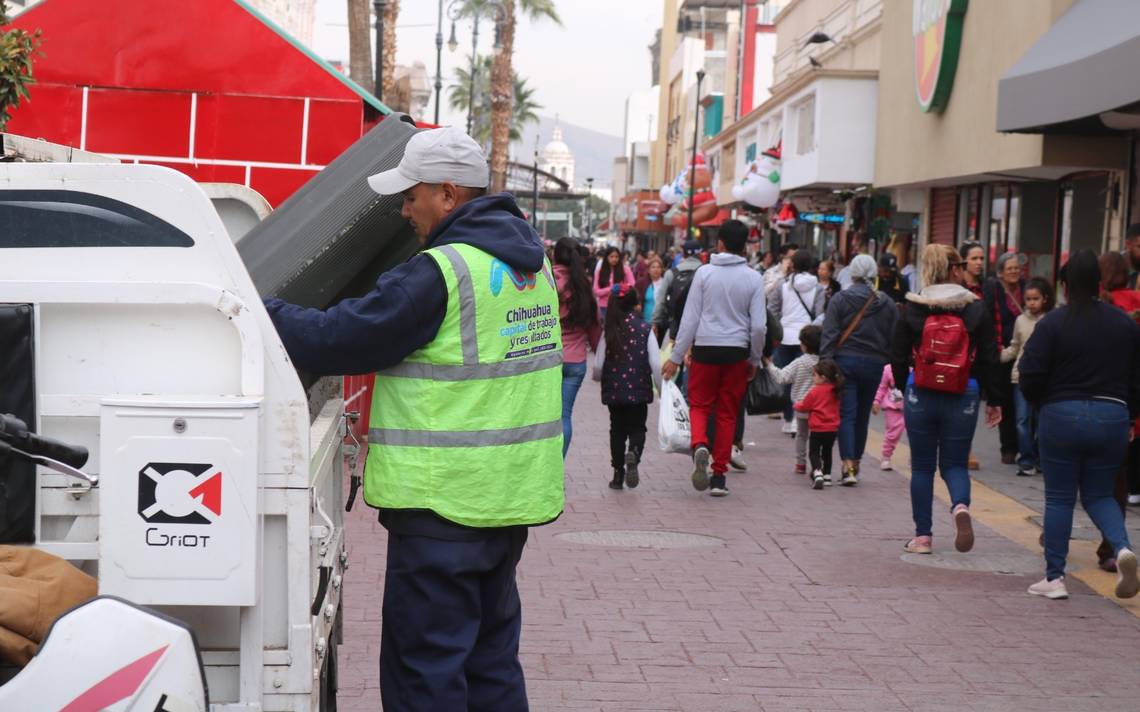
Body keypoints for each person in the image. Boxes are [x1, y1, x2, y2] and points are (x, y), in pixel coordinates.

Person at [263, 126, 562, 709]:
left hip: (442, 507)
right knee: (490, 663)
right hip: (507, 503)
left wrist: (259, 304)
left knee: (425, 671)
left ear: (448, 195)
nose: (403, 210)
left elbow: (341, 338)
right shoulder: (530, 265)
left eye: (411, 195)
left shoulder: (441, 272)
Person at [1018, 249, 1140, 601]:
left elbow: (1030, 374)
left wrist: (1041, 402)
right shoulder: (1124, 324)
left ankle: (1054, 578)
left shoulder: (1053, 323)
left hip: (1062, 414)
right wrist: (1129, 414)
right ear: (1100, 283)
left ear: (1065, 285)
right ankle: (1121, 548)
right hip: (1112, 415)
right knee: (1100, 493)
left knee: (1059, 498)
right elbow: (1137, 378)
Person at [891, 244, 1003, 556]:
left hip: (921, 393)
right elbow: (990, 357)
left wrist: (905, 388)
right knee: (955, 464)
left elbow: (897, 356)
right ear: (956, 269)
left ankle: (923, 537)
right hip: (963, 391)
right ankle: (960, 508)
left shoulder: (912, 307)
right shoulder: (975, 308)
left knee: (923, 467)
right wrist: (993, 398)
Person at [663, 220, 766, 497]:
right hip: (737, 352)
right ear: (744, 245)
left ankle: (699, 445)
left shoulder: (705, 274)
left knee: (699, 405)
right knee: (727, 412)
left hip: (706, 348)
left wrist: (675, 356)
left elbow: (690, 319)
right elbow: (758, 326)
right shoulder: (754, 277)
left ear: (720, 243)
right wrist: (754, 359)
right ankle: (719, 476)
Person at [820, 254, 899, 485]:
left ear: (852, 274)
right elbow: (894, 337)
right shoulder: (887, 303)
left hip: (845, 363)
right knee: (862, 417)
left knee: (847, 415)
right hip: (874, 364)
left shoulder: (839, 299)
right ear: (874, 274)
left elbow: (830, 334)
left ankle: (846, 466)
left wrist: (825, 363)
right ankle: (856, 463)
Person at [594, 284, 662, 490]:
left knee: (617, 430)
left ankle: (617, 474)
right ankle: (634, 452)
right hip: (639, 389)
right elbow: (656, 363)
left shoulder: (609, 330)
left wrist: (598, 378)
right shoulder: (644, 329)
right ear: (636, 304)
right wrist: (660, 388)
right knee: (637, 427)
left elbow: (598, 364)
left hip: (614, 390)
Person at [1000, 277, 1053, 477]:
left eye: (1035, 299)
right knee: (1022, 421)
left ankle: (1040, 458)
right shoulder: (1020, 320)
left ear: (1045, 299)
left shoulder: (1050, 320)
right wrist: (997, 356)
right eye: (1028, 299)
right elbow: (1014, 347)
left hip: (1044, 379)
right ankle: (1026, 460)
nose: (1031, 303)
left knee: (1041, 422)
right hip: (1019, 377)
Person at [768, 249, 826, 434]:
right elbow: (820, 314)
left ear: (793, 264)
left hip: (785, 337)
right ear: (811, 265)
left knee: (785, 378)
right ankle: (801, 417)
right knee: (807, 380)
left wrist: (778, 330)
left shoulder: (782, 285)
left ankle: (788, 418)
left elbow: (772, 310)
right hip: (808, 339)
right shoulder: (818, 288)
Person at [554, 237, 601, 458]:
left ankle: (543, 469)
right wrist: (600, 356)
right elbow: (594, 326)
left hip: (549, 358)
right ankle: (557, 467)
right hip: (576, 362)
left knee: (544, 416)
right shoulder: (584, 285)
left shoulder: (547, 281)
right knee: (565, 415)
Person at [984, 252, 1025, 464]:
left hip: (1026, 353)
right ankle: (1008, 447)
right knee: (1005, 399)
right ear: (1001, 272)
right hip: (1003, 352)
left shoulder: (1027, 288)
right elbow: (989, 317)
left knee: (1025, 400)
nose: (1014, 272)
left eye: (1017, 268)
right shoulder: (994, 290)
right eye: (1010, 268)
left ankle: (1025, 446)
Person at [765, 325, 822, 475]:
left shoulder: (800, 362)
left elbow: (782, 377)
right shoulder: (825, 362)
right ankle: (818, 465)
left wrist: (769, 365)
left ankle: (800, 463)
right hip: (820, 408)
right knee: (817, 437)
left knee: (802, 435)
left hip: (802, 407)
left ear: (803, 345)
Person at [794, 359, 844, 490]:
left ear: (823, 377)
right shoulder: (836, 391)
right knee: (827, 452)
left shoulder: (815, 391)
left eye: (814, 375)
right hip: (832, 428)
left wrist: (796, 404)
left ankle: (817, 472)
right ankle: (827, 475)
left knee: (814, 452)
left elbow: (805, 406)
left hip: (817, 428)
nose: (813, 377)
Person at [652, 240, 702, 342]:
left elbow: (660, 301)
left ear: (683, 253)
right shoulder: (706, 271)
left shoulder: (671, 273)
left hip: (674, 329)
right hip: (699, 330)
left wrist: (655, 322)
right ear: (700, 253)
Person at [871, 364, 905, 471]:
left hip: (913, 406)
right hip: (893, 407)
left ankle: (916, 457)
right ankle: (886, 457)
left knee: (917, 434)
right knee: (892, 434)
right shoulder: (888, 369)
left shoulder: (917, 367)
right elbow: (882, 387)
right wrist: (876, 401)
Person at [594, 246, 635, 317]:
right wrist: (611, 288)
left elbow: (632, 284)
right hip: (604, 307)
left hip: (621, 305)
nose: (614, 259)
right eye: (611, 256)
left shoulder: (625, 269)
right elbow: (596, 291)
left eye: (616, 257)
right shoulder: (599, 272)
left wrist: (620, 288)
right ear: (606, 257)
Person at [642, 256, 666, 322]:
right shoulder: (642, 283)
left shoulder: (665, 284)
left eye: (658, 267)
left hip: (660, 321)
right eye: (653, 267)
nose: (656, 270)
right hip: (645, 321)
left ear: (662, 269)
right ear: (648, 270)